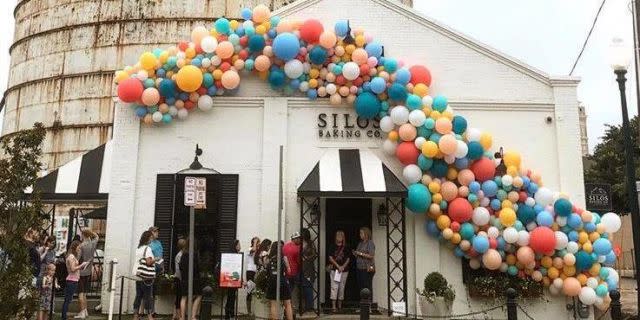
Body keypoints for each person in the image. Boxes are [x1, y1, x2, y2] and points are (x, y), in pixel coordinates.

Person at [62, 240, 89, 320]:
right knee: (68, 299)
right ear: (75, 247)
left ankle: (64, 316)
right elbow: (73, 269)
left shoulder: (72, 256)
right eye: (78, 247)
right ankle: (64, 317)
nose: (79, 249)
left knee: (68, 299)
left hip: (74, 279)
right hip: (72, 280)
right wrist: (81, 265)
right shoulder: (71, 257)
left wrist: (83, 266)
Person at [266, 241, 293, 320]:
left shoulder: (268, 258)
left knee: (273, 304)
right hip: (283, 281)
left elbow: (266, 271)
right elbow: (289, 271)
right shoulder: (284, 258)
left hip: (272, 282)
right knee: (287, 304)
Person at [76, 228, 98, 319]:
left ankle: (81, 312)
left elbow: (77, 259)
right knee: (84, 293)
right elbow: (97, 236)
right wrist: (90, 232)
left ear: (83, 235)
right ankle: (85, 311)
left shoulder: (82, 246)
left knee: (80, 294)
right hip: (89, 270)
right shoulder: (93, 243)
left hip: (81, 271)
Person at [133, 231, 155, 320]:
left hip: (138, 274)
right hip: (146, 276)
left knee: (138, 295)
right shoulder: (148, 249)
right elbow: (149, 262)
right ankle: (149, 316)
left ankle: (135, 315)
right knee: (148, 296)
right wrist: (156, 259)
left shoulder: (139, 248)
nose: (152, 239)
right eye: (151, 238)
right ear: (148, 238)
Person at [327, 230, 351, 313]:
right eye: (338, 236)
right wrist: (338, 266)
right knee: (334, 287)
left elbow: (348, 258)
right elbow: (330, 257)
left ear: (343, 237)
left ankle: (340, 306)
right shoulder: (332, 246)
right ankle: (333, 306)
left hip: (344, 270)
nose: (339, 237)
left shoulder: (347, 247)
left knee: (342, 287)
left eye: (341, 236)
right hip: (334, 270)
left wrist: (343, 267)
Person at [179, 239, 202, 320]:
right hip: (195, 278)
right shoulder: (195, 254)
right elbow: (198, 267)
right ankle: (193, 316)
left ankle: (182, 317)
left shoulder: (183, 254)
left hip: (184, 278)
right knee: (199, 295)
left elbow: (180, 267)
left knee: (184, 297)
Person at [353, 227, 375, 298]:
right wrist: (355, 253)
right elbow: (358, 253)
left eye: (361, 233)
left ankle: (368, 305)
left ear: (366, 234)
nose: (360, 234)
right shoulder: (360, 243)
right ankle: (362, 305)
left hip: (367, 268)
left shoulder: (370, 243)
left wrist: (360, 254)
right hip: (359, 268)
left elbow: (371, 255)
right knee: (361, 286)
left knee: (367, 287)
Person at [147, 227, 163, 317]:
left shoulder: (159, 243)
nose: (157, 233)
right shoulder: (148, 244)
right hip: (150, 268)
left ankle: (153, 310)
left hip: (158, 268)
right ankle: (148, 311)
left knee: (154, 291)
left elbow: (161, 255)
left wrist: (162, 266)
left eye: (157, 231)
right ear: (151, 233)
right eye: (155, 231)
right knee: (149, 291)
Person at [300, 229, 317, 313]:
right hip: (299, 267)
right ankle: (302, 307)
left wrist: (306, 258)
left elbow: (315, 254)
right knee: (300, 288)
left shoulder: (310, 243)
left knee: (308, 287)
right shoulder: (298, 243)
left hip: (308, 268)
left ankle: (309, 307)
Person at [225, 240, 241, 319]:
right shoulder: (235, 256)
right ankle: (230, 314)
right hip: (233, 279)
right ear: (235, 246)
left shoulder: (233, 255)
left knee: (231, 297)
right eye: (239, 245)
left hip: (231, 279)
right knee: (231, 297)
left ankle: (229, 314)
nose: (240, 246)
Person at [245, 237, 260, 315]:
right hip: (250, 271)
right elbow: (252, 251)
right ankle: (249, 311)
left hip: (256, 271)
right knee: (250, 290)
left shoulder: (258, 251)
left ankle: (256, 310)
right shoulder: (250, 249)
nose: (258, 244)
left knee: (257, 290)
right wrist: (255, 242)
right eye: (257, 242)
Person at [172, 239, 186, 320]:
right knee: (179, 297)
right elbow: (178, 270)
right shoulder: (180, 255)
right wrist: (182, 279)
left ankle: (176, 315)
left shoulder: (180, 254)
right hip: (179, 279)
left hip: (179, 278)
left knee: (179, 297)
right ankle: (178, 315)